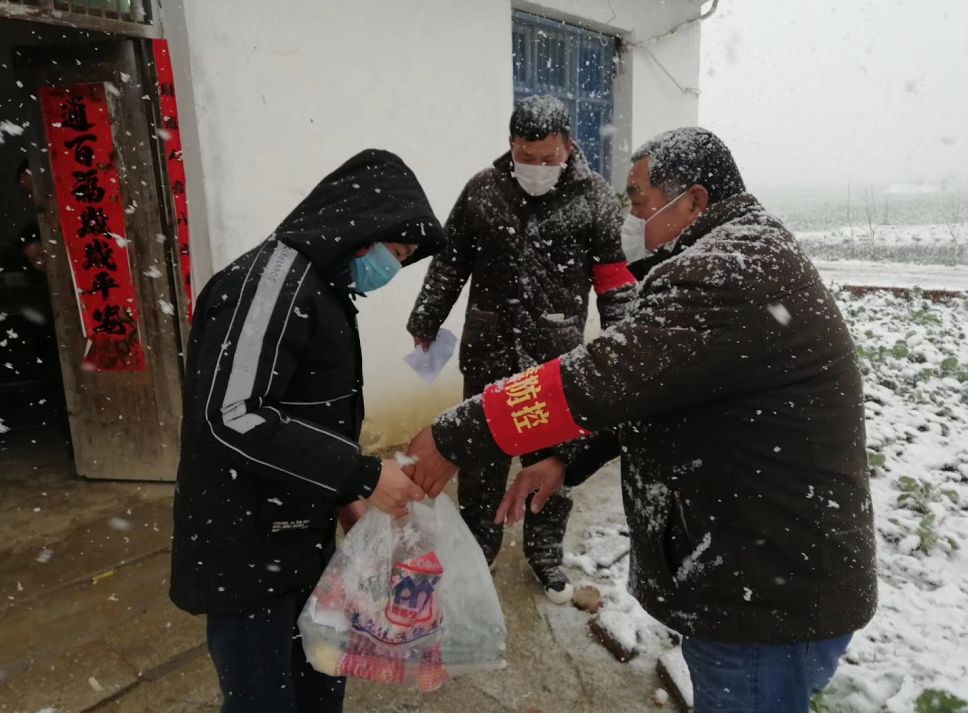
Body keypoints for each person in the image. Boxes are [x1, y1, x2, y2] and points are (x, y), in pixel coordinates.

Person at [406, 128, 877, 712]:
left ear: (694, 201)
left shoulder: (727, 271)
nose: (630, 216)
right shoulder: (740, 253)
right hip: (762, 572)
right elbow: (661, 389)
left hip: (765, 595)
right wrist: (566, 457)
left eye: (638, 199)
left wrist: (456, 436)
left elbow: (603, 377)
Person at [169, 149, 444, 713]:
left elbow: (310, 414)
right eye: (395, 253)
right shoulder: (268, 284)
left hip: (299, 539)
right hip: (248, 549)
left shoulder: (321, 287)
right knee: (263, 700)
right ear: (363, 227)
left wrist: (344, 495)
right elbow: (233, 415)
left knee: (318, 685)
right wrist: (363, 474)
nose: (392, 269)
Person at [406, 95, 636, 603]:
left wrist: (623, 345)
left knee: (553, 460)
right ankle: (478, 550)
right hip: (488, 351)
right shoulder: (482, 190)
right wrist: (426, 317)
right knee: (479, 462)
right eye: (525, 157)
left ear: (568, 147)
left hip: (554, 360)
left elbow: (613, 280)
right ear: (511, 145)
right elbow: (450, 261)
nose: (536, 167)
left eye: (547, 158)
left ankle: (544, 551)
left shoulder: (596, 199)